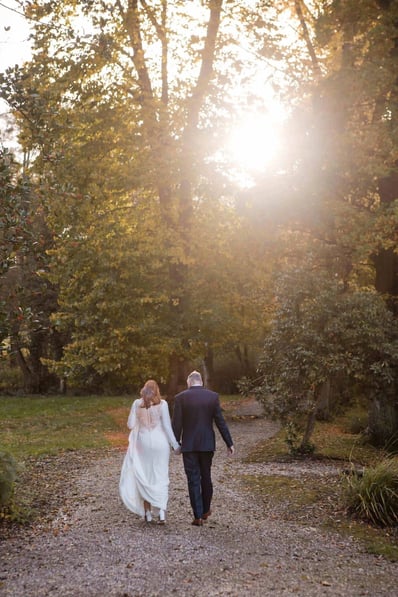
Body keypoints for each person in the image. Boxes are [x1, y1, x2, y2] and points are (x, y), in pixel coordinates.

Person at [172, 370, 234, 526]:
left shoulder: (181, 398)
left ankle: (198, 515)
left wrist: (175, 444)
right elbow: (220, 421)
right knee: (206, 476)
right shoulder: (212, 397)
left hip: (189, 445)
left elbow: (177, 424)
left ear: (189, 382)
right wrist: (229, 442)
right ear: (201, 381)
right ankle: (206, 509)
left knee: (193, 479)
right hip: (207, 444)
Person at [119, 379, 180, 524]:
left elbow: (130, 425)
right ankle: (162, 513)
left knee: (145, 476)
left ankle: (147, 513)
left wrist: (135, 411)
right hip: (160, 444)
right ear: (157, 390)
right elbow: (166, 426)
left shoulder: (136, 404)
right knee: (160, 475)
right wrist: (175, 445)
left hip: (143, 444)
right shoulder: (163, 404)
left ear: (144, 390)